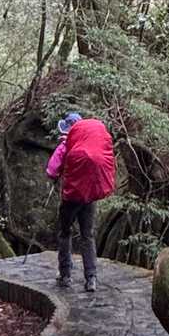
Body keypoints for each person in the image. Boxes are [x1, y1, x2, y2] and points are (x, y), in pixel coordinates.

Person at [46, 110, 116, 292]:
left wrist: (58, 174)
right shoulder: (91, 143)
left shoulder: (66, 145)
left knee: (65, 232)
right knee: (87, 235)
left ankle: (65, 275)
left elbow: (52, 170)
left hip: (71, 196)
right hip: (90, 195)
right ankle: (91, 278)